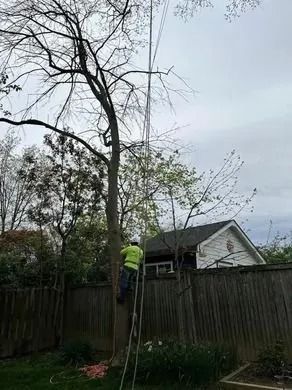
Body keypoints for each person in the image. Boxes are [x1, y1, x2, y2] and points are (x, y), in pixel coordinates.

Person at [117, 240, 143, 304]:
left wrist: (127, 247)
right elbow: (140, 257)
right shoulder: (141, 250)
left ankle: (121, 299)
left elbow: (121, 252)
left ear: (131, 244)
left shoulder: (129, 248)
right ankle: (130, 289)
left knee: (124, 282)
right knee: (130, 279)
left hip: (128, 265)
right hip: (135, 267)